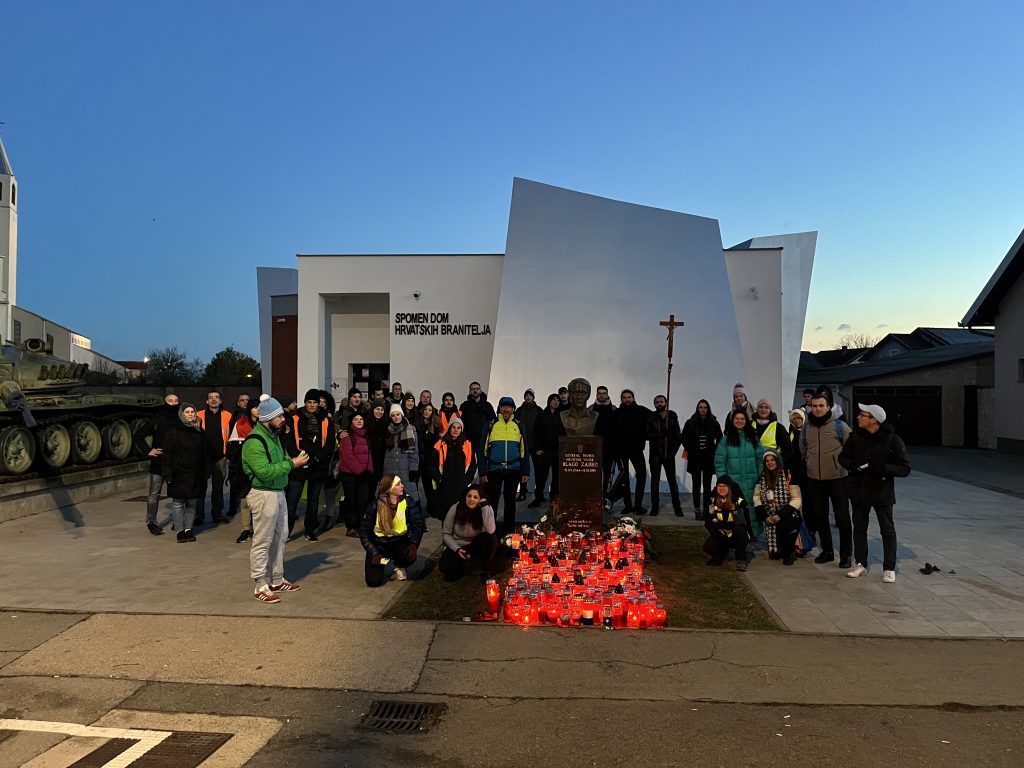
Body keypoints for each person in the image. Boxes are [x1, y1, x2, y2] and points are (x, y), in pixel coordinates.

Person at [243, 394, 309, 603]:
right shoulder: (254, 442)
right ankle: (260, 585)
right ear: (267, 418)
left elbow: (279, 460)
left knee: (280, 537)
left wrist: (293, 459)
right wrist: (293, 464)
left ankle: (277, 579)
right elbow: (265, 472)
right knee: (263, 540)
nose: (283, 419)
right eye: (279, 416)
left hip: (277, 491)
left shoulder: (273, 436)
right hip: (263, 493)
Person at [839, 404, 911, 583]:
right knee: (859, 528)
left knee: (887, 530)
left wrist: (883, 468)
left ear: (874, 420)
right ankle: (860, 563)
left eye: (863, 415)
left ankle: (889, 568)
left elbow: (904, 468)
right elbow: (843, 457)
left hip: (882, 492)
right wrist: (853, 466)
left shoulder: (893, 440)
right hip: (859, 490)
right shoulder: (855, 437)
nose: (858, 417)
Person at [801, 393, 852, 568]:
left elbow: (851, 449)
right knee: (820, 517)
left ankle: (846, 555)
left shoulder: (840, 426)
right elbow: (803, 448)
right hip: (815, 480)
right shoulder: (807, 427)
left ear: (829, 407)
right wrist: (810, 464)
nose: (817, 409)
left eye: (821, 405)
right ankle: (827, 551)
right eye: (814, 406)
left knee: (842, 517)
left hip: (838, 479)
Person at [359, 475, 433, 587]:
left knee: (409, 556)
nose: (402, 486)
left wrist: (413, 544)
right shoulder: (375, 505)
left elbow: (418, 525)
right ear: (389, 489)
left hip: (399, 543)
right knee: (373, 582)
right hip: (379, 545)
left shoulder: (408, 502)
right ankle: (381, 562)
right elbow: (364, 532)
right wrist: (374, 553)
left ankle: (399, 565)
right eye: (398, 484)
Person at [285, 389, 335, 542]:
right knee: (292, 500)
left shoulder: (326, 420)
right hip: (298, 464)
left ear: (318, 403)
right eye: (309, 402)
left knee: (313, 501)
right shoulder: (295, 418)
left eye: (314, 402)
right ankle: (286, 532)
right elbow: (289, 441)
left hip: (317, 465)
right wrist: (300, 458)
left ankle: (310, 530)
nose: (312, 405)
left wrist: (315, 460)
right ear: (305, 403)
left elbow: (329, 444)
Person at [479, 396, 530, 535]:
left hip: (514, 469)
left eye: (509, 407)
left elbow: (524, 450)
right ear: (500, 408)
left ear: (513, 409)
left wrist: (526, 471)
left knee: (510, 503)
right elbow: (482, 450)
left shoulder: (519, 425)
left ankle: (508, 533)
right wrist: (482, 472)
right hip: (494, 469)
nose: (506, 409)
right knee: (492, 503)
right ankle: (491, 533)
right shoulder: (490, 425)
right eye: (504, 406)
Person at [161, 402, 209, 543]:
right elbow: (167, 454)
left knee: (192, 503)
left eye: (192, 412)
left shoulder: (199, 431)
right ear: (181, 414)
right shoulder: (173, 432)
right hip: (178, 473)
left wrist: (206, 471)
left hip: (195, 473)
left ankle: (188, 529)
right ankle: (180, 531)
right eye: (187, 412)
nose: (190, 414)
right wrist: (167, 473)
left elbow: (205, 453)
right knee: (178, 503)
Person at [714, 409, 764, 539]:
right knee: (736, 510)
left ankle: (753, 534)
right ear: (732, 421)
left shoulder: (753, 438)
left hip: (752, 482)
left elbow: (760, 458)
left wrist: (759, 476)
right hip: (733, 484)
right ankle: (738, 536)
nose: (739, 421)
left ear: (746, 421)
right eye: (737, 419)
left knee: (752, 508)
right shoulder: (725, 440)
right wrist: (724, 481)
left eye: (742, 419)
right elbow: (720, 462)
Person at [753, 449, 803, 565]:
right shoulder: (762, 478)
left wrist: (780, 515)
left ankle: (789, 552)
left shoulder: (788, 476)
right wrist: (765, 516)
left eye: (772, 460)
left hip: (789, 513)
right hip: (770, 514)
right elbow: (756, 498)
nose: (769, 463)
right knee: (775, 554)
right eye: (767, 461)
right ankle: (779, 549)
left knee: (784, 527)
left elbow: (796, 499)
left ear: (778, 461)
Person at [440, 485, 498, 582]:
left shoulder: (486, 508)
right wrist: (457, 549)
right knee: (445, 568)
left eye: (475, 497)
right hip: (459, 546)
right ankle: (465, 565)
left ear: (480, 499)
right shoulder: (456, 507)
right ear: (465, 497)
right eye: (469, 496)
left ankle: (485, 569)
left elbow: (491, 531)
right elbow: (446, 533)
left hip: (476, 545)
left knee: (490, 538)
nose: (471, 499)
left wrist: (485, 507)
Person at [142, 393, 179, 535]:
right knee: (154, 493)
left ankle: (178, 520)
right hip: (159, 461)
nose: (173, 403)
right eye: (170, 401)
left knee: (176, 493)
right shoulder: (157, 418)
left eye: (175, 401)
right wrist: (148, 451)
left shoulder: (181, 418)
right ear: (165, 402)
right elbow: (139, 435)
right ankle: (151, 521)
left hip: (175, 461)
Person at [611, 389, 650, 515]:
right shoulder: (617, 413)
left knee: (642, 475)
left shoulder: (642, 411)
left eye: (629, 397)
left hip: (636, 449)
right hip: (621, 451)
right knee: (624, 479)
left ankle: (638, 505)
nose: (627, 399)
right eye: (624, 397)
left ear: (633, 398)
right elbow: (612, 432)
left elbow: (655, 418)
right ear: (621, 399)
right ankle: (628, 505)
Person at [681, 399, 722, 520]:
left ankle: (706, 510)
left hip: (708, 458)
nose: (703, 410)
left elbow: (720, 438)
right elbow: (683, 438)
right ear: (697, 409)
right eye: (701, 407)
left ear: (708, 409)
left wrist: (714, 450)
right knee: (696, 485)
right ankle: (697, 510)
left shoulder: (713, 422)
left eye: (705, 407)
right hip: (695, 458)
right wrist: (691, 450)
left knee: (707, 485)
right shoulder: (691, 422)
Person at [196, 390, 231, 525]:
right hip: (202, 458)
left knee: (218, 488)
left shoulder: (227, 415)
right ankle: (198, 515)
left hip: (219, 457)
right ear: (206, 401)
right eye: (210, 397)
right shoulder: (198, 415)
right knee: (200, 488)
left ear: (220, 401)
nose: (213, 399)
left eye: (216, 397)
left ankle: (217, 514)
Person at [337, 413, 375, 537]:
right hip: (350, 475)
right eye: (356, 419)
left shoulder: (365, 435)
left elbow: (368, 454)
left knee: (363, 500)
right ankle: (352, 527)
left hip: (363, 474)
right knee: (351, 501)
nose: (359, 421)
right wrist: (360, 471)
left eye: (361, 419)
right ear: (351, 422)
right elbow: (347, 456)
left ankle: (361, 526)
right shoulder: (347, 436)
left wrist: (369, 470)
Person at [703, 476, 752, 571]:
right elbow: (709, 521)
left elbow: (743, 521)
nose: (721, 488)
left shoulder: (738, 501)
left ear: (729, 487)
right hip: (721, 531)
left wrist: (732, 525)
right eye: (719, 486)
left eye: (724, 486)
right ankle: (720, 555)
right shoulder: (712, 500)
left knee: (740, 530)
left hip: (736, 533)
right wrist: (717, 528)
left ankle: (741, 559)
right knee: (708, 547)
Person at [431, 416, 476, 519]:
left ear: (461, 430)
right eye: (453, 427)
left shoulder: (467, 445)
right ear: (449, 428)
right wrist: (440, 479)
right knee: (446, 519)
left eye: (458, 428)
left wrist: (466, 480)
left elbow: (473, 465)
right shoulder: (439, 445)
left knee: (461, 519)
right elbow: (431, 465)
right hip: (445, 489)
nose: (456, 430)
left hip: (462, 489)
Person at [228, 400, 260, 543]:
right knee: (245, 501)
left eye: (260, 407)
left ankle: (259, 529)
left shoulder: (267, 423)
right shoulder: (240, 424)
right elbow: (233, 448)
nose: (258, 410)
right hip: (244, 468)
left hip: (262, 468)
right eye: (255, 407)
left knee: (261, 502)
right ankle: (246, 529)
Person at [646, 395, 683, 517]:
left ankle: (677, 507)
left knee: (672, 481)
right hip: (655, 454)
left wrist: (672, 453)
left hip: (669, 454)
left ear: (666, 402)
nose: (659, 404)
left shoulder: (672, 416)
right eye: (656, 402)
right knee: (655, 481)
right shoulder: (651, 417)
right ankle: (655, 507)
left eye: (661, 402)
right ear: (654, 404)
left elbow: (678, 437)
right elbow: (646, 435)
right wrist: (661, 434)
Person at [529, 394, 562, 508]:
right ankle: (538, 498)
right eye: (554, 400)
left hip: (557, 452)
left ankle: (554, 499)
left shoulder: (562, 416)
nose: (556, 402)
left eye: (558, 400)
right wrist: (537, 448)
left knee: (556, 478)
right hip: (544, 452)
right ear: (549, 401)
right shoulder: (542, 414)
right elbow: (536, 432)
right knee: (541, 477)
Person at [382, 404, 420, 500]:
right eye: (393, 415)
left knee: (409, 498)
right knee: (391, 497)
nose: (396, 417)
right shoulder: (387, 431)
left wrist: (413, 469)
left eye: (398, 414)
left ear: (402, 415)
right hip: (390, 468)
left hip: (405, 469)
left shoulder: (410, 430)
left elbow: (414, 453)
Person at [514, 389, 542, 501]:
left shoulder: (539, 410)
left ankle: (539, 493)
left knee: (538, 470)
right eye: (527, 395)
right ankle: (522, 492)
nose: (528, 397)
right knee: (522, 470)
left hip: (535, 445)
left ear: (533, 397)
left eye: (530, 395)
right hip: (522, 445)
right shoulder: (519, 411)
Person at [227, 393, 252, 517]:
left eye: (247, 400)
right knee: (235, 481)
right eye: (242, 400)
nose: (245, 402)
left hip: (250, 452)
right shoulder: (233, 417)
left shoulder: (254, 417)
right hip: (236, 452)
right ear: (238, 403)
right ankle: (233, 506)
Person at [753, 398, 794, 469]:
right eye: (761, 407)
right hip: (752, 466)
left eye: (766, 407)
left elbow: (788, 450)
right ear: (757, 409)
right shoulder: (749, 425)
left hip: (770, 468)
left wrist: (777, 462)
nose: (763, 410)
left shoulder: (778, 427)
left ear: (770, 410)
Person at [416, 403, 442, 513]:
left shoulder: (434, 426)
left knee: (429, 486)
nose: (427, 411)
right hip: (418, 459)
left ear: (432, 412)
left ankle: (432, 508)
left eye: (430, 410)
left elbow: (434, 446)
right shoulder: (417, 424)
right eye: (425, 409)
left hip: (429, 460)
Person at [459, 381, 496, 457]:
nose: (475, 391)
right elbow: (460, 422)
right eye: (473, 389)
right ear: (470, 391)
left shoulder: (487, 406)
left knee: (482, 462)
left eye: (477, 389)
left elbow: (493, 421)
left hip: (483, 440)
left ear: (480, 390)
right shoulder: (464, 406)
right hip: (468, 440)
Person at [366, 399, 389, 484]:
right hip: (367, 460)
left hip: (379, 461)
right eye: (377, 409)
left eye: (382, 409)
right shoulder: (366, 423)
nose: (380, 412)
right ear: (373, 409)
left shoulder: (385, 424)